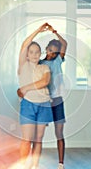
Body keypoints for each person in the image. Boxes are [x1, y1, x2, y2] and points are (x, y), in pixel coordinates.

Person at [17, 23, 53, 169]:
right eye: (31, 52)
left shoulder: (45, 67)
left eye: (37, 52)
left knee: (38, 140)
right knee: (27, 140)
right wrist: (38, 31)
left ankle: (35, 166)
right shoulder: (23, 65)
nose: (34, 55)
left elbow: (45, 82)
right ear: (27, 54)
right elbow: (24, 44)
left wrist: (25, 87)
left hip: (44, 104)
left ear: (40, 54)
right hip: (28, 105)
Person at [40, 23, 67, 169]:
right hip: (43, 100)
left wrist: (54, 31)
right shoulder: (40, 63)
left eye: (55, 52)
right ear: (46, 49)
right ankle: (35, 161)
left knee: (59, 132)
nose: (52, 53)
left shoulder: (58, 61)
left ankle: (61, 163)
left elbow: (65, 43)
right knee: (40, 133)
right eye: (50, 50)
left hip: (57, 100)